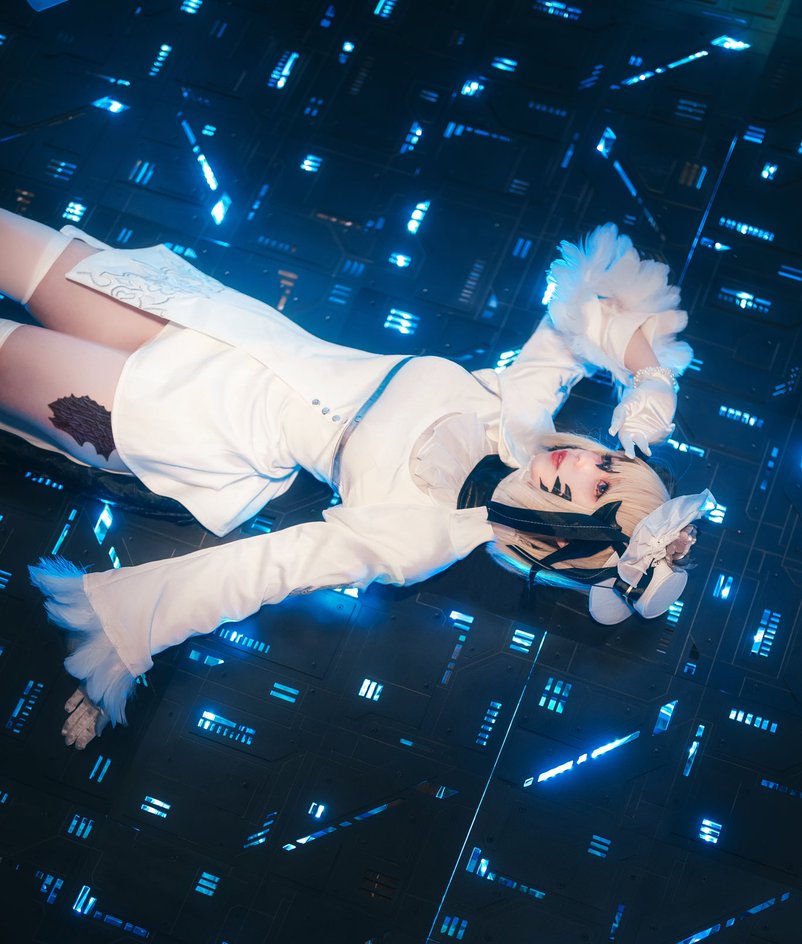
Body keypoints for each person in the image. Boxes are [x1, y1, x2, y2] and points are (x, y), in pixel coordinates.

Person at [0, 209, 714, 748]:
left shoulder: (422, 538)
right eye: (608, 462)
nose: (587, 461)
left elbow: (266, 569)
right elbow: (591, 305)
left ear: (563, 539)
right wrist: (652, 379)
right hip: (214, 322)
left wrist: (129, 635)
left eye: (599, 487)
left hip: (188, 419)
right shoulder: (514, 410)